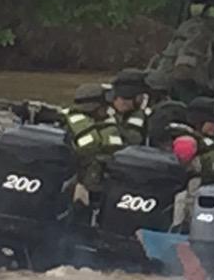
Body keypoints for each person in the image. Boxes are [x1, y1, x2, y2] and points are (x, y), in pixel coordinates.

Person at [62, 83, 125, 214]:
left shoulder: (74, 121)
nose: (108, 109)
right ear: (94, 108)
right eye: (104, 106)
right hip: (82, 184)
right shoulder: (77, 128)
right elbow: (88, 151)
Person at [109, 68, 150, 145]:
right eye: (117, 97)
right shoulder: (107, 111)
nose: (121, 102)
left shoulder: (144, 114)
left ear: (139, 97)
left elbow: (135, 139)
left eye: (127, 98)